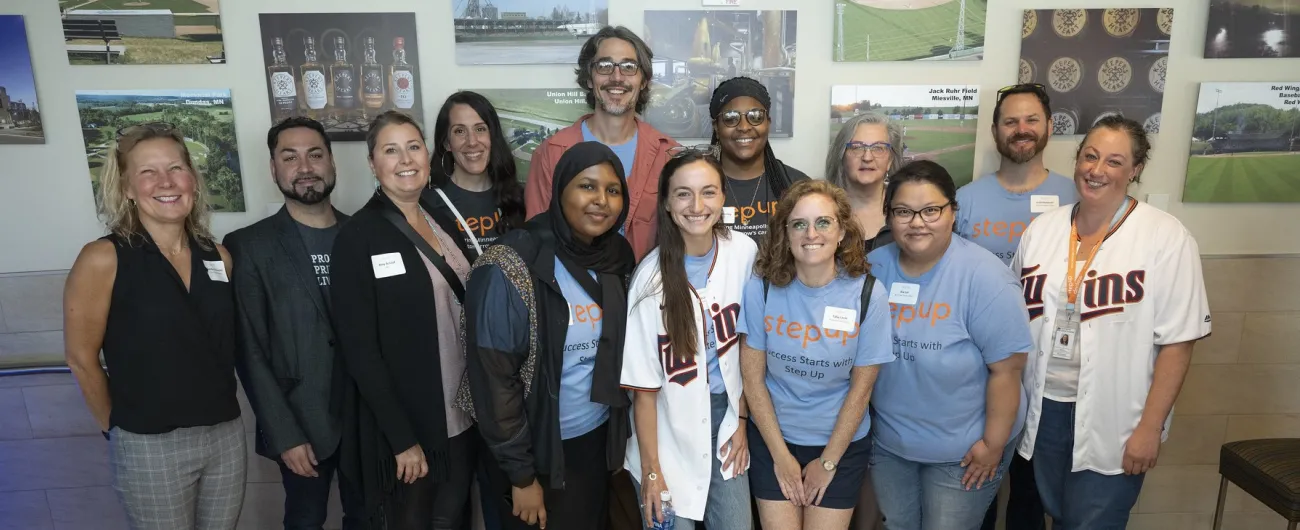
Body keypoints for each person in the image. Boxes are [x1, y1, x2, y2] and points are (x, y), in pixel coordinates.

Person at [1012, 115, 1210, 529]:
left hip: (1117, 416)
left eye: (1114, 162)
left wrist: (1150, 428)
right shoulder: (1042, 230)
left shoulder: (1165, 237)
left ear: (1135, 170)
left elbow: (1178, 342)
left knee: (1093, 522)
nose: (1096, 170)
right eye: (1090, 156)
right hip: (1045, 406)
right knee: (1059, 515)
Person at [63, 122, 245, 529]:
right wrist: (118, 429)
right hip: (149, 444)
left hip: (225, 435)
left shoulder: (218, 257)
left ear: (192, 179)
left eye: (176, 168)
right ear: (127, 187)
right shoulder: (103, 259)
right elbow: (80, 358)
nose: (166, 182)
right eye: (148, 172)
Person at [466, 142, 636, 530]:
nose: (601, 201)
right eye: (587, 187)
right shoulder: (511, 264)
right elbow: (494, 380)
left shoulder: (616, 258)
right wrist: (521, 477)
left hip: (594, 443)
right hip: (536, 450)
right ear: (560, 191)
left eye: (613, 191)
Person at [329, 111, 477, 529]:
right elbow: (359, 351)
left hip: (461, 414)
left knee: (453, 520)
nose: (405, 159)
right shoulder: (358, 237)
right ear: (373, 163)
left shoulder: (440, 218)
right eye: (390, 150)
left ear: (427, 156)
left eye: (413, 147)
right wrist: (402, 439)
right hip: (410, 427)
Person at [865, 160, 1032, 530]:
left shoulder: (986, 278)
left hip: (964, 453)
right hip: (891, 446)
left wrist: (992, 445)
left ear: (953, 213)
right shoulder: (871, 268)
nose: (917, 222)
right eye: (904, 211)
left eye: (931, 210)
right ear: (888, 215)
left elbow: (1008, 371)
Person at [223, 117, 363, 530]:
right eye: (290, 156)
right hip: (300, 422)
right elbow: (249, 351)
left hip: (365, 421)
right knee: (304, 521)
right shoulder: (249, 246)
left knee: (370, 518)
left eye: (315, 154)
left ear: (332, 163)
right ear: (273, 169)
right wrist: (283, 434)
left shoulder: (364, 234)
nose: (305, 167)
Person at [739, 179, 893, 530]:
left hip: (840, 446)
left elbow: (861, 390)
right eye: (799, 224)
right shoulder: (761, 289)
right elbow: (753, 379)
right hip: (774, 439)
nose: (812, 233)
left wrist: (827, 463)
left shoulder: (868, 294)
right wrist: (780, 456)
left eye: (823, 222)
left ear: (841, 232)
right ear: (786, 233)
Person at [621, 147, 756, 530]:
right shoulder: (649, 279)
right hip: (666, 434)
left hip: (727, 423)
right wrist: (651, 472)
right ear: (665, 203)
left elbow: (748, 349)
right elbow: (644, 392)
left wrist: (742, 418)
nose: (697, 205)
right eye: (683, 193)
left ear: (723, 196)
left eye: (708, 191)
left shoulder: (744, 252)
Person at [524, 25, 679, 261]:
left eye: (629, 67)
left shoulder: (668, 153)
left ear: (644, 80)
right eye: (605, 66)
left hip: (648, 293)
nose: (617, 78)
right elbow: (537, 244)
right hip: (575, 295)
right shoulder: (551, 153)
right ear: (589, 78)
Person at [956, 84, 1077, 266]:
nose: (1021, 130)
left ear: (1050, 126)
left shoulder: (1076, 198)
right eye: (1010, 122)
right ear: (995, 131)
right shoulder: (964, 200)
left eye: (1032, 120)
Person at [709, 76, 810, 241]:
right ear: (716, 128)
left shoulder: (798, 186)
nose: (744, 127)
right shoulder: (697, 189)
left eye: (755, 116)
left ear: (768, 123)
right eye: (731, 117)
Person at [428, 90, 527, 256]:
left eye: (480, 129)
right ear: (447, 143)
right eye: (460, 131)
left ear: (492, 137)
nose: (472, 141)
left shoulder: (520, 199)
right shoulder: (429, 204)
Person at [827, 112, 904, 253]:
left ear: (890, 161)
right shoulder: (821, 208)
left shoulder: (908, 209)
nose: (867, 157)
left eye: (878, 148)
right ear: (842, 156)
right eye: (856, 147)